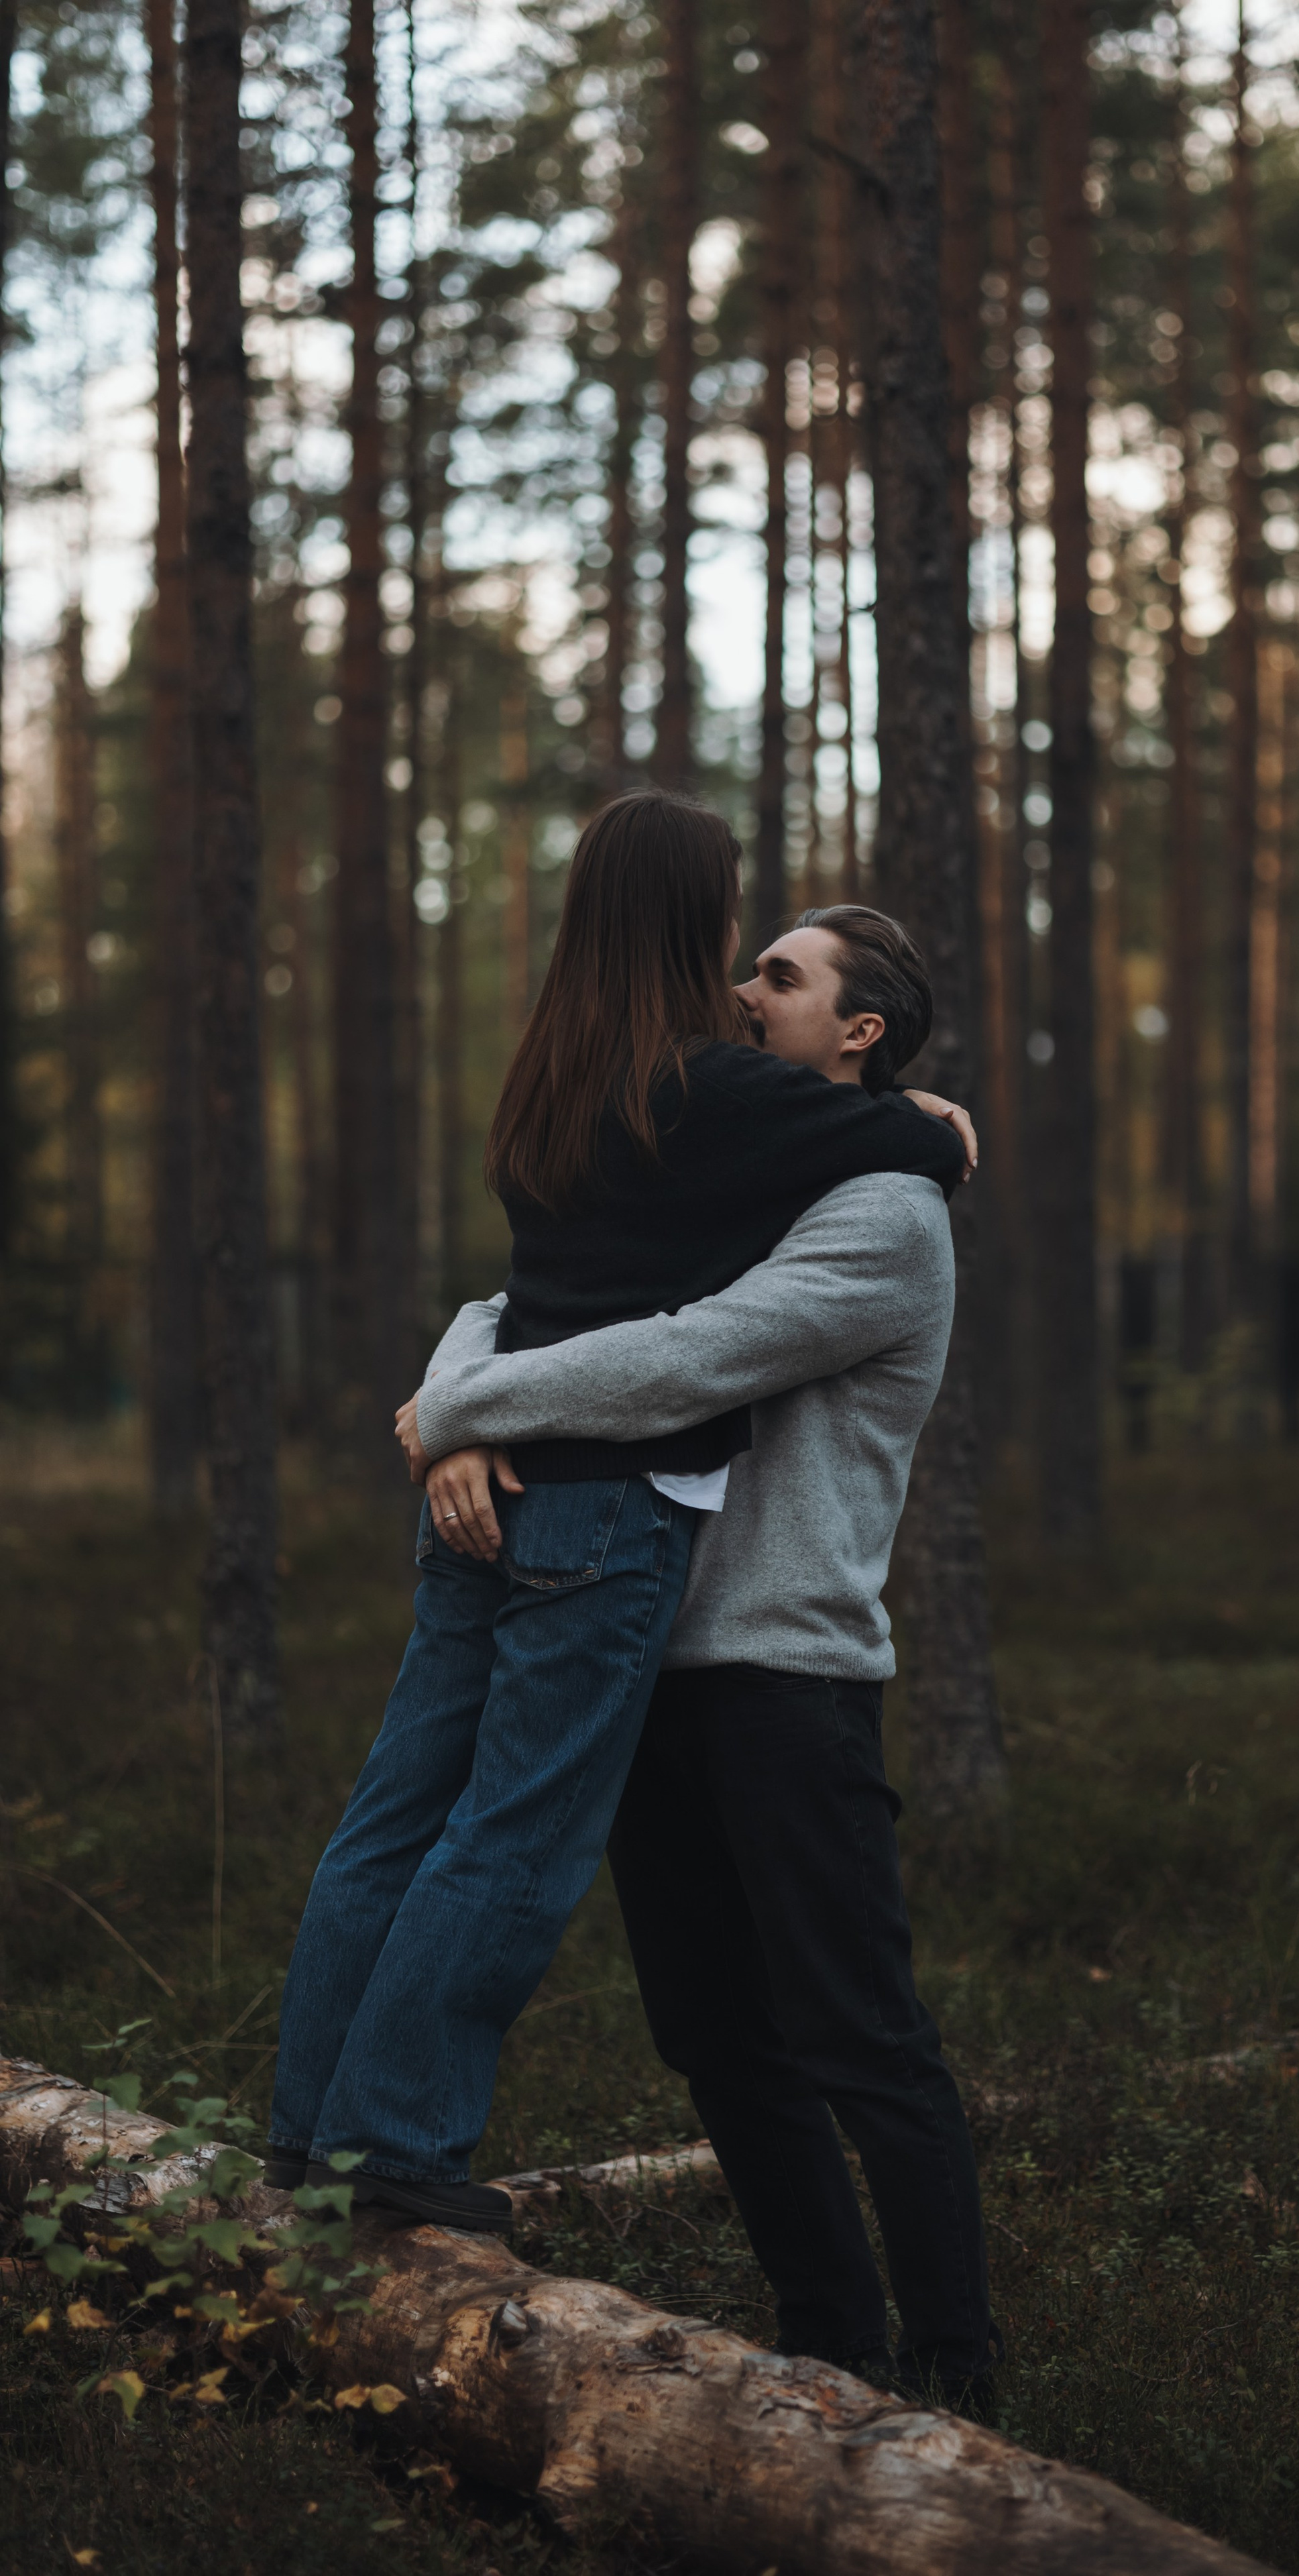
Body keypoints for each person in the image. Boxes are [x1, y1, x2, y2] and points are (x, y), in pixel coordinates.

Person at [267, 806, 970, 2232]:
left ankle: (309, 2141)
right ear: (686, 918)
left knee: (391, 1821)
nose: (738, 973)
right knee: (514, 1838)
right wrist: (926, 1123)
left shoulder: (553, 1078)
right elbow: (903, 1138)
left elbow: (525, 1299)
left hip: (490, 1503)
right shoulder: (714, 1095)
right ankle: (391, 2155)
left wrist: (461, 1413)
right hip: (600, 1514)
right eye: (732, 934)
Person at [397, 904, 997, 2404]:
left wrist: (470, 1416)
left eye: (779, 980)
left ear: (855, 1034)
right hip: (638, 1663)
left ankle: (958, 2375)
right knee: (714, 2041)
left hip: (785, 1674)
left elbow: (686, 1355)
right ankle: (829, 2350)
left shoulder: (885, 1220)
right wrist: (449, 1417)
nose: (741, 992)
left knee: (860, 2038)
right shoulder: (745, 1174)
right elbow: (506, 1307)